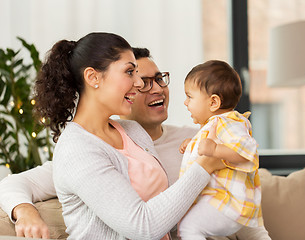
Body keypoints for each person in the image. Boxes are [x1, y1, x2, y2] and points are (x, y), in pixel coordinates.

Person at [0, 47, 270, 240]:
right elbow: (14, 184)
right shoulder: (93, 151)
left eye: (159, 78)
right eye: (140, 81)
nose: (155, 88)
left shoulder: (200, 138)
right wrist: (25, 212)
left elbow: (240, 200)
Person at [178, 60, 269, 239]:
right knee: (255, 235)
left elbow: (247, 151)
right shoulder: (215, 125)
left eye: (190, 96)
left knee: (188, 227)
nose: (185, 102)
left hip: (227, 201)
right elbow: (211, 148)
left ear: (213, 102)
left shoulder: (226, 122)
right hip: (230, 202)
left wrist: (213, 149)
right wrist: (193, 145)